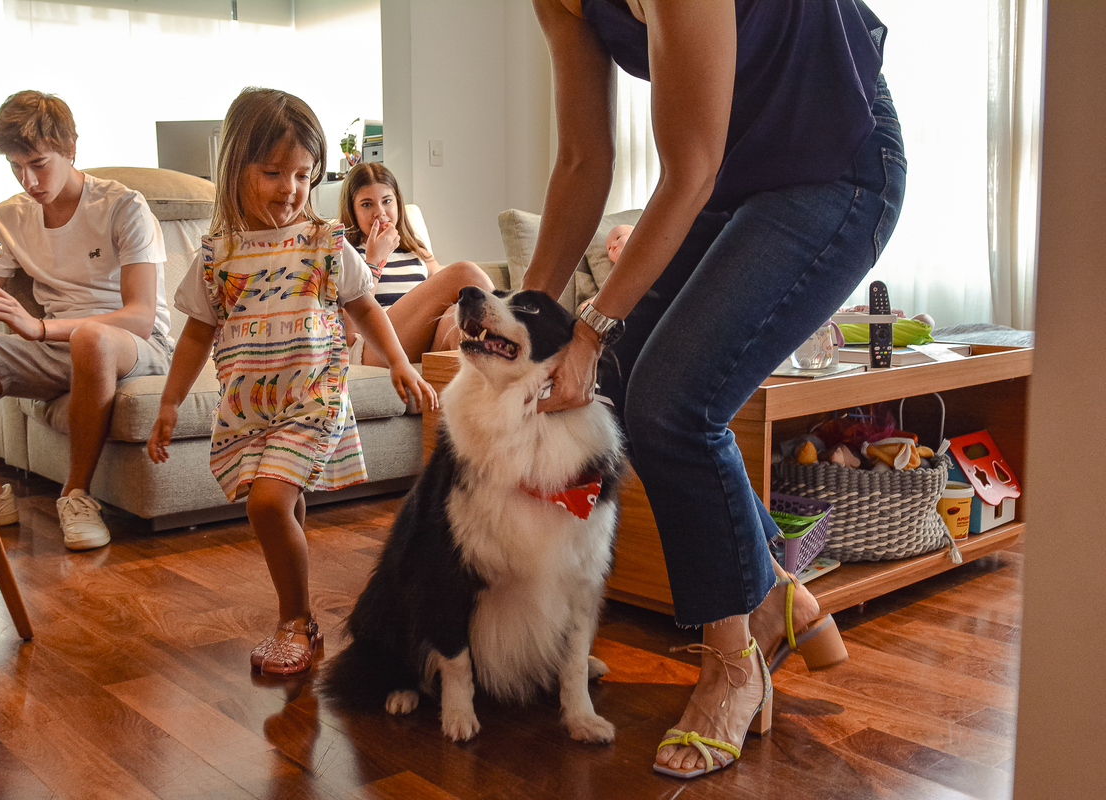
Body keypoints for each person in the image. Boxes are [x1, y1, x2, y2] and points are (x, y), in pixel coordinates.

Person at [525, 0, 905, 779]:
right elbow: (582, 160)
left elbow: (688, 170)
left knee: (675, 404)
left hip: (835, 158)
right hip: (738, 173)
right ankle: (774, 595)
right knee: (624, 389)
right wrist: (527, 316)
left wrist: (589, 332)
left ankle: (734, 664)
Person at [146, 87, 437, 675]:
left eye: (304, 175)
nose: (290, 189)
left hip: (313, 398)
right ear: (235, 168)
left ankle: (295, 621)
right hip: (248, 406)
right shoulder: (218, 256)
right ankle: (300, 614)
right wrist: (170, 402)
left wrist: (400, 362)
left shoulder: (325, 244)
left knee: (267, 503)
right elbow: (196, 335)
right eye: (273, 172)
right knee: (286, 503)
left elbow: (365, 308)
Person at [0, 90, 173, 551]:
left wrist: (38, 328)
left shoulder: (123, 205)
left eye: (38, 164)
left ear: (70, 148)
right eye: (15, 166)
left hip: (133, 347)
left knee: (92, 339)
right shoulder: (10, 216)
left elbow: (141, 318)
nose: (28, 180)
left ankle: (76, 496)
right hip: (56, 353)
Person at [337, 163, 496, 365]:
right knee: (465, 272)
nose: (380, 212)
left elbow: (446, 298)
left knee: (456, 321)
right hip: (373, 346)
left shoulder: (416, 250)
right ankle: (515, 332)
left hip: (422, 341)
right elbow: (350, 331)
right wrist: (375, 261)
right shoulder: (345, 252)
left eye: (387, 201)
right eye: (367, 205)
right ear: (352, 210)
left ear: (398, 203)